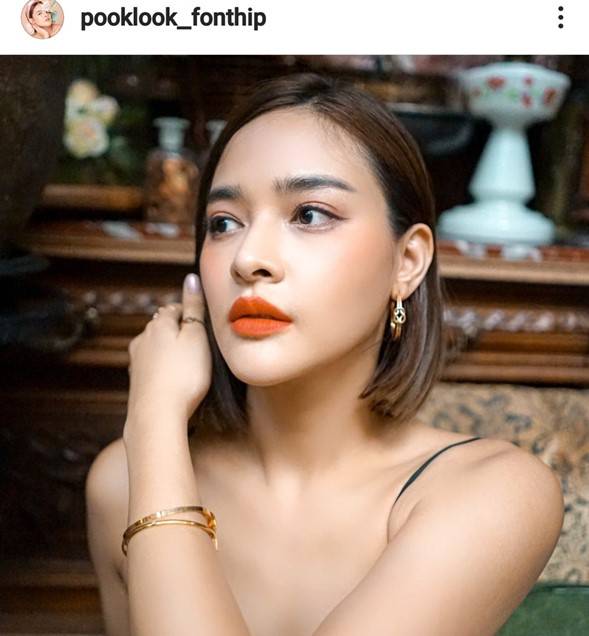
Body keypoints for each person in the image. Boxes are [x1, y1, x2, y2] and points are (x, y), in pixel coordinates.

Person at [86, 73, 564, 636]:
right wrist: (155, 423)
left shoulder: (494, 492)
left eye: (309, 214)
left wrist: (152, 424)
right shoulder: (125, 478)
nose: (248, 258)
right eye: (224, 223)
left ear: (407, 261)